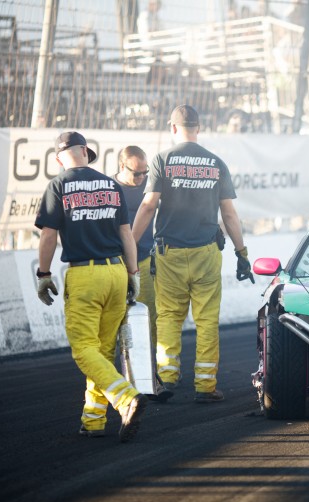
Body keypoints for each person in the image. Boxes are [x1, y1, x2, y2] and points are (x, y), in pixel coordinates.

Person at [131, 105, 254, 403]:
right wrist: (242, 252)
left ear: (173, 128)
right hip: (206, 254)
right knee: (207, 319)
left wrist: (130, 244)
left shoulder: (162, 160)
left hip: (169, 253)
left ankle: (168, 377)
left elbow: (148, 206)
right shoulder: (216, 163)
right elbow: (230, 215)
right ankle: (205, 385)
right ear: (199, 128)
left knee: (169, 316)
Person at [34, 131, 147, 443]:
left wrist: (43, 274)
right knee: (102, 351)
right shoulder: (110, 184)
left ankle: (125, 398)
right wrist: (133, 273)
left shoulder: (58, 185)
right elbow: (126, 233)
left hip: (85, 276)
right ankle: (94, 419)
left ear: (59, 159)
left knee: (84, 350)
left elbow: (47, 236)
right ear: (85, 152)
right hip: (116, 272)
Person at [113, 145, 164, 400]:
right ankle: (119, 379)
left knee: (148, 322)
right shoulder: (110, 190)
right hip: (114, 265)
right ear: (122, 166)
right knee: (115, 323)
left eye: (145, 172)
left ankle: (149, 376)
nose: (142, 177)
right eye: (137, 173)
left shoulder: (150, 188)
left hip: (144, 263)